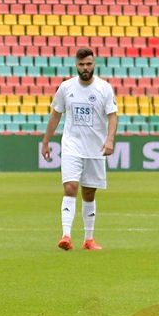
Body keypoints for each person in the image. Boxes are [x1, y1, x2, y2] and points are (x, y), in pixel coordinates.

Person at [42, 48, 117, 251]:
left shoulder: (104, 88)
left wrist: (110, 140)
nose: (85, 68)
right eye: (82, 64)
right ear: (76, 65)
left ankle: (88, 239)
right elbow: (56, 114)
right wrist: (46, 141)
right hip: (71, 146)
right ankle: (66, 235)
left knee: (89, 193)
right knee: (70, 187)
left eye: (89, 64)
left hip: (95, 148)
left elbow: (112, 115)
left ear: (94, 64)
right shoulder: (66, 87)